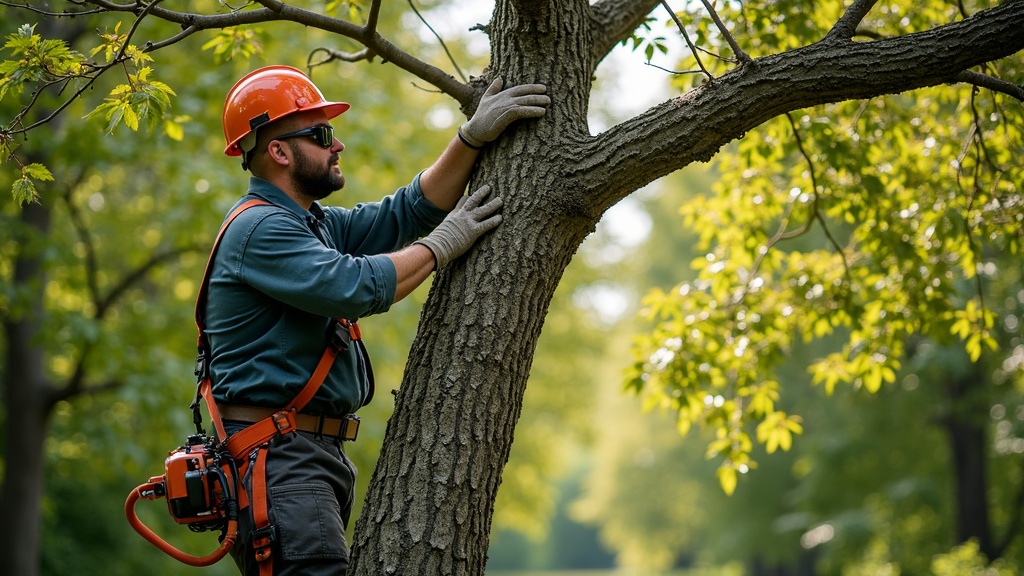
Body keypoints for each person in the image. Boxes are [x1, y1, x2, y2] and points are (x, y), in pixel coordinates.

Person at [207, 65, 549, 576]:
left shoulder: (311, 224)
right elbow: (356, 285)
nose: (337, 144)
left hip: (302, 457)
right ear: (279, 151)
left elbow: (407, 212)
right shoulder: (260, 230)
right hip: (280, 460)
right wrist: (441, 247)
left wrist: (470, 139)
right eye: (321, 135)